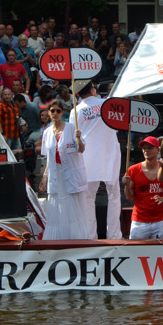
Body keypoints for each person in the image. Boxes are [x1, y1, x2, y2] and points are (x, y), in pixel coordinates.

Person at [71, 82, 122, 239]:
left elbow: (75, 137)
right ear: (93, 90)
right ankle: (114, 236)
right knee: (114, 194)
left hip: (88, 156)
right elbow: (117, 125)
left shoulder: (76, 110)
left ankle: (90, 237)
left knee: (87, 198)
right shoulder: (107, 104)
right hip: (109, 151)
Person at [40, 99, 93, 239]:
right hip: (55, 174)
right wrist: (44, 177)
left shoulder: (71, 129)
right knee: (57, 207)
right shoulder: (46, 133)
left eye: (58, 111)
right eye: (53, 111)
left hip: (71, 174)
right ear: (49, 113)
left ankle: (76, 237)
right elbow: (48, 158)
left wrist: (79, 138)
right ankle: (58, 237)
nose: (55, 113)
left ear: (62, 112)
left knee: (73, 207)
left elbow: (81, 149)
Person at [123, 136, 163, 239]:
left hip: (160, 219)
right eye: (144, 148)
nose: (146, 150)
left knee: (161, 252)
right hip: (139, 220)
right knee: (135, 252)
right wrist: (126, 186)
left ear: (158, 150)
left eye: (150, 148)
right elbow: (129, 196)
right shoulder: (133, 170)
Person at [0, 87, 22, 152]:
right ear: (2, 96)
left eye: (8, 94)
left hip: (15, 133)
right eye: (5, 95)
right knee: (7, 153)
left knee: (18, 153)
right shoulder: (0, 106)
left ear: (11, 95)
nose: (7, 96)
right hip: (6, 135)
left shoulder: (14, 105)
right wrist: (2, 134)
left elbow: (17, 117)